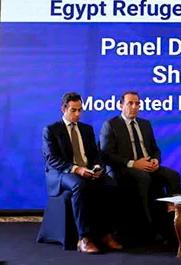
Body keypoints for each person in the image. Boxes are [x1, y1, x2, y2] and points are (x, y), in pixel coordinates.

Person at [42, 92, 122, 254]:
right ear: (64, 109)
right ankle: (83, 238)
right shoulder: (51, 130)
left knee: (110, 184)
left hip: (87, 169)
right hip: (62, 172)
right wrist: (76, 169)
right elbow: (51, 159)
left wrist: (97, 167)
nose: (77, 114)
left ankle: (106, 234)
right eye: (73, 110)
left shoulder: (86, 129)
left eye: (80, 110)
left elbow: (95, 154)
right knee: (79, 185)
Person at [99, 91, 180, 244]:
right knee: (143, 178)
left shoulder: (145, 124)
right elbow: (106, 155)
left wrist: (155, 160)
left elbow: (155, 149)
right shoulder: (110, 125)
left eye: (137, 104)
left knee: (173, 175)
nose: (134, 107)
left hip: (148, 165)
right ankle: (149, 229)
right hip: (123, 169)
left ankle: (171, 225)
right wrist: (133, 163)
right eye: (130, 103)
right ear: (121, 105)